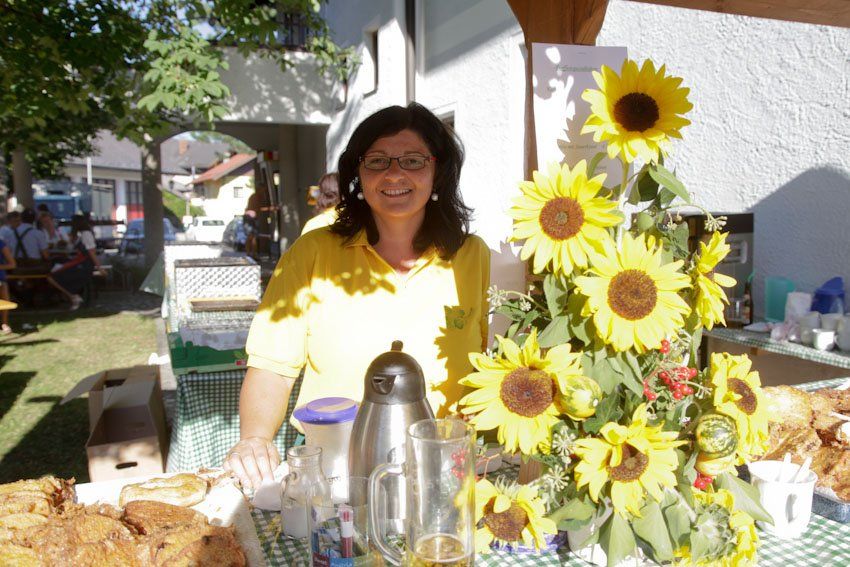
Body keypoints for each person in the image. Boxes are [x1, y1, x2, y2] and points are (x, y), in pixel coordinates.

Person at [224, 103, 491, 490]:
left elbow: (484, 364)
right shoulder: (312, 251)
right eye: (377, 161)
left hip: (445, 468)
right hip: (335, 467)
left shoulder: (472, 256)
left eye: (413, 160)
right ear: (358, 174)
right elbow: (272, 368)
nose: (394, 174)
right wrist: (254, 439)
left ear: (439, 171)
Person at [47, 215, 105, 310]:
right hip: (83, 263)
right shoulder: (82, 234)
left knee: (53, 276)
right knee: (54, 275)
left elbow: (91, 252)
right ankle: (72, 296)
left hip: (85, 264)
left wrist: (99, 268)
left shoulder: (86, 234)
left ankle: (73, 296)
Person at [0, 237, 16, 334]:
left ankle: (4, 323)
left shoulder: (1, 244)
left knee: (2, 287)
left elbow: (12, 264)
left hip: (1, 279)